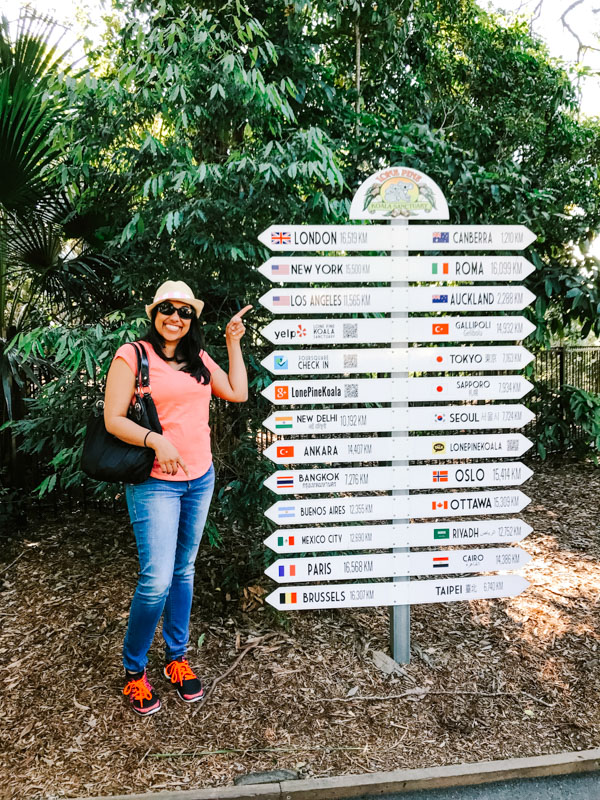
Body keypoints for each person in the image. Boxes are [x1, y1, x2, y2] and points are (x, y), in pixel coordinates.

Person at [104, 280, 252, 716]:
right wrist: (156, 441)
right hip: (155, 482)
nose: (176, 317)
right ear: (154, 313)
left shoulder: (199, 359)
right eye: (167, 309)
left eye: (185, 311)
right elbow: (113, 419)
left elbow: (238, 393)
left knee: (184, 570)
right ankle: (135, 672)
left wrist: (231, 343)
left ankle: (176, 659)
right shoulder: (132, 355)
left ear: (193, 319)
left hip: (199, 478)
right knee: (156, 580)